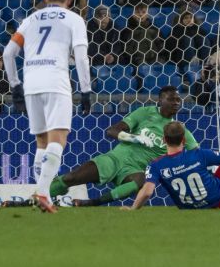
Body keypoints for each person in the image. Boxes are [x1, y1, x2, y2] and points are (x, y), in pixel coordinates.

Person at [2, 0, 92, 213]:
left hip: (31, 83)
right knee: (58, 140)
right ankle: (43, 193)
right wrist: (85, 90)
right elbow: (81, 58)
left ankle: (40, 192)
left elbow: (8, 53)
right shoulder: (74, 19)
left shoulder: (31, 19)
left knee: (42, 143)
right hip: (56, 82)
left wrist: (15, 86)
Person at [44, 86, 198, 207]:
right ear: (160, 101)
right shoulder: (145, 113)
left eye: (179, 100)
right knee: (72, 177)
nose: (177, 102)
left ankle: (92, 203)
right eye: (172, 99)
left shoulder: (178, 129)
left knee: (142, 180)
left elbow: (197, 153)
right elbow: (111, 131)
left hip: (135, 169)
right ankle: (40, 197)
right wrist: (135, 138)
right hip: (115, 159)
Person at [125, 114, 220, 211]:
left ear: (164, 140)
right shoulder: (199, 154)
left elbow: (147, 191)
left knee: (214, 173)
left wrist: (133, 209)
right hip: (219, 199)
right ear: (184, 140)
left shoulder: (155, 165)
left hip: (191, 209)